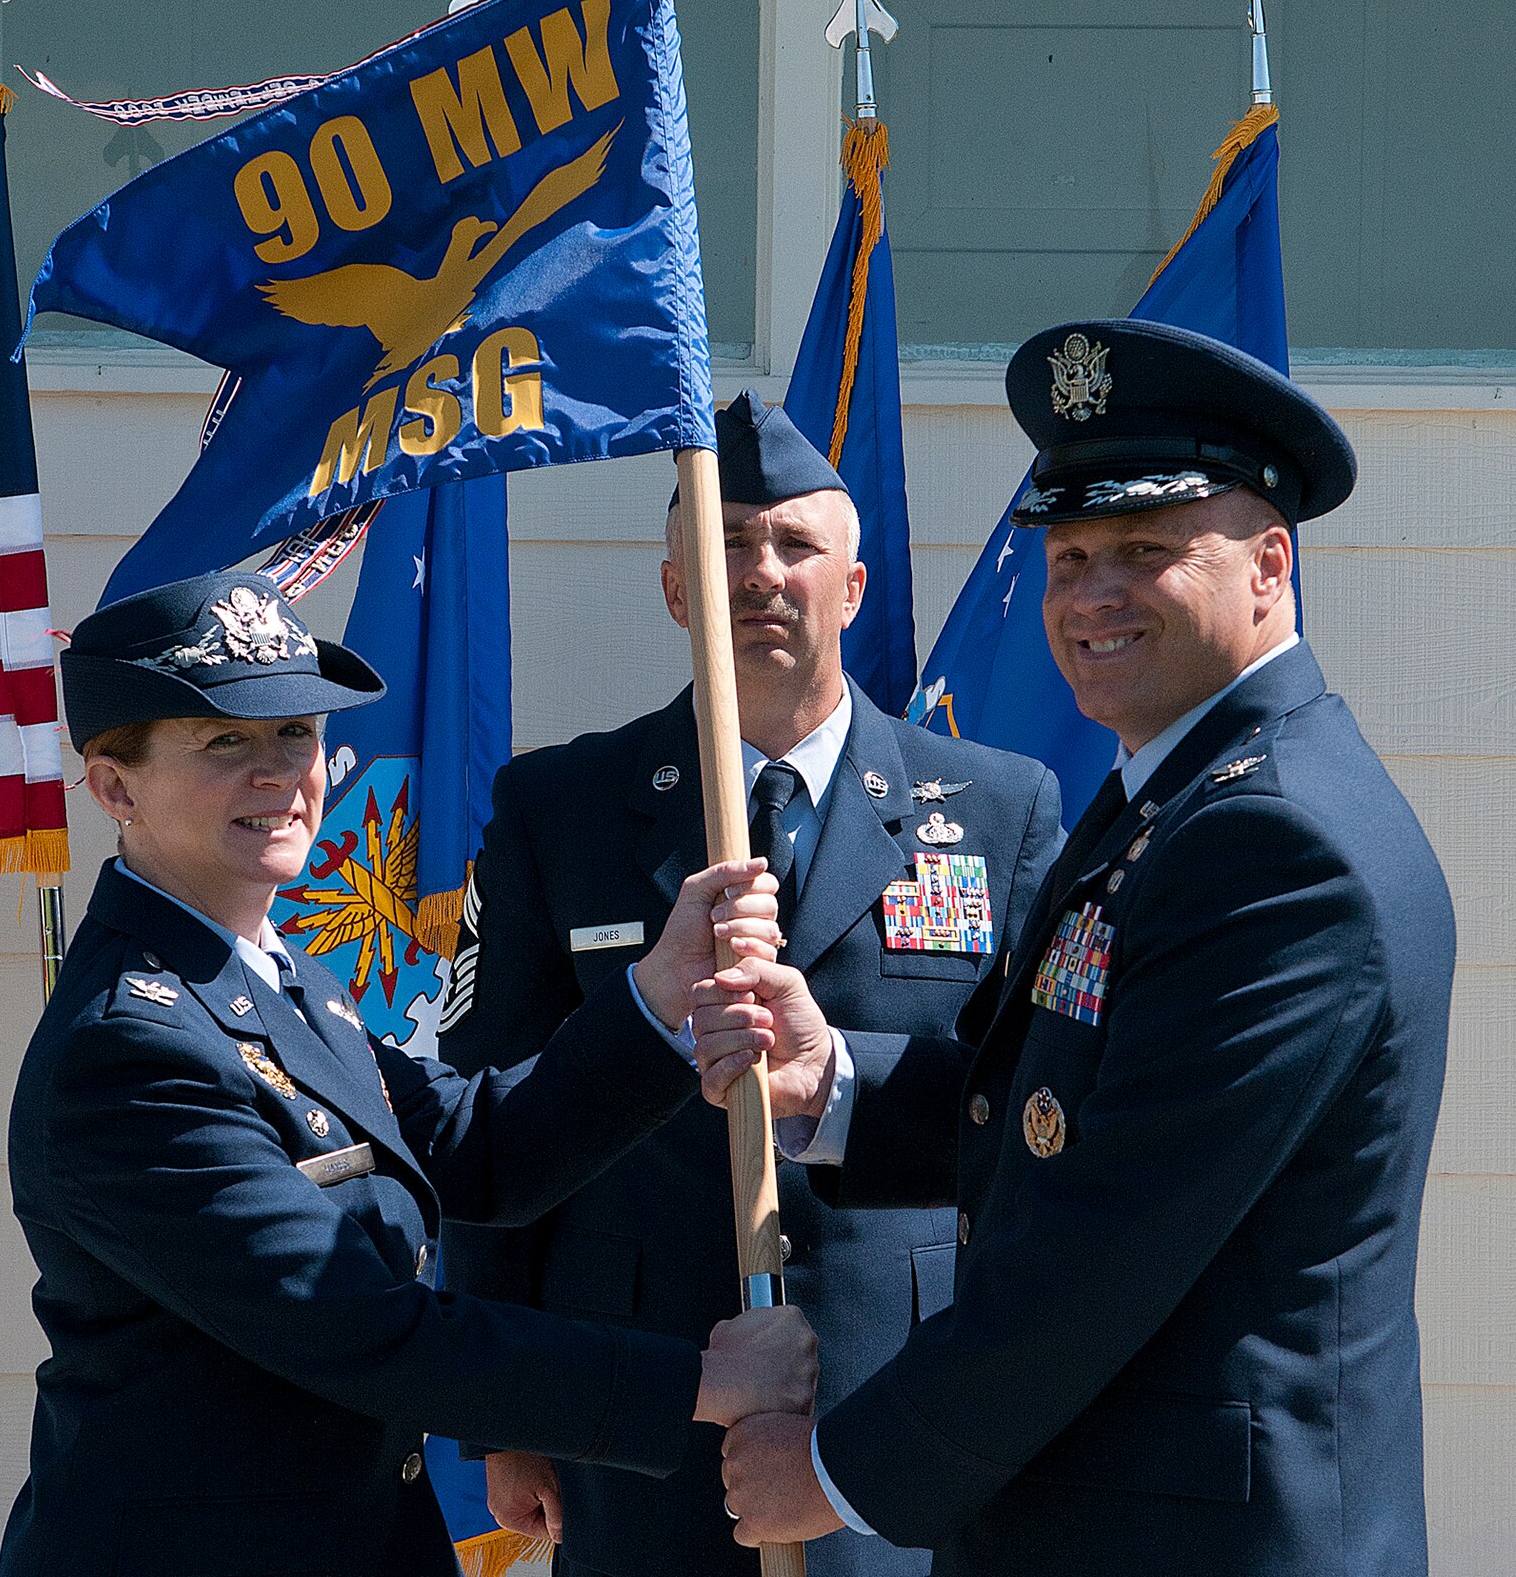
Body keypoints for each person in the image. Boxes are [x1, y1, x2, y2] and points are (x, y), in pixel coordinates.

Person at [695, 321, 1456, 1577]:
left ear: (1270, 565)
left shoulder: (1272, 841)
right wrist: (828, 1080)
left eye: (1145, 551)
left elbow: (1106, 1237)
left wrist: (837, 1469)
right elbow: (1053, 1109)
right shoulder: (1180, 793)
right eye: (1069, 553)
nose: (1090, 593)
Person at [0, 570, 817, 1577]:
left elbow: (475, 1149)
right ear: (115, 784)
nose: (280, 772)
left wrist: (657, 992)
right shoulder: (129, 1048)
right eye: (225, 741)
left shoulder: (268, 976)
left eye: (294, 732)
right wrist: (703, 1379)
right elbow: (372, 1330)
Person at [438, 389, 1063, 1577]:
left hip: (900, 1393)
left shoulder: (994, 806)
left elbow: (1027, 1107)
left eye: (793, 544)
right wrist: (511, 1413)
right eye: (723, 544)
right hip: (636, 1388)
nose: (759, 572)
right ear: (675, 588)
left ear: (855, 587)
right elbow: (492, 1113)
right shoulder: (559, 807)